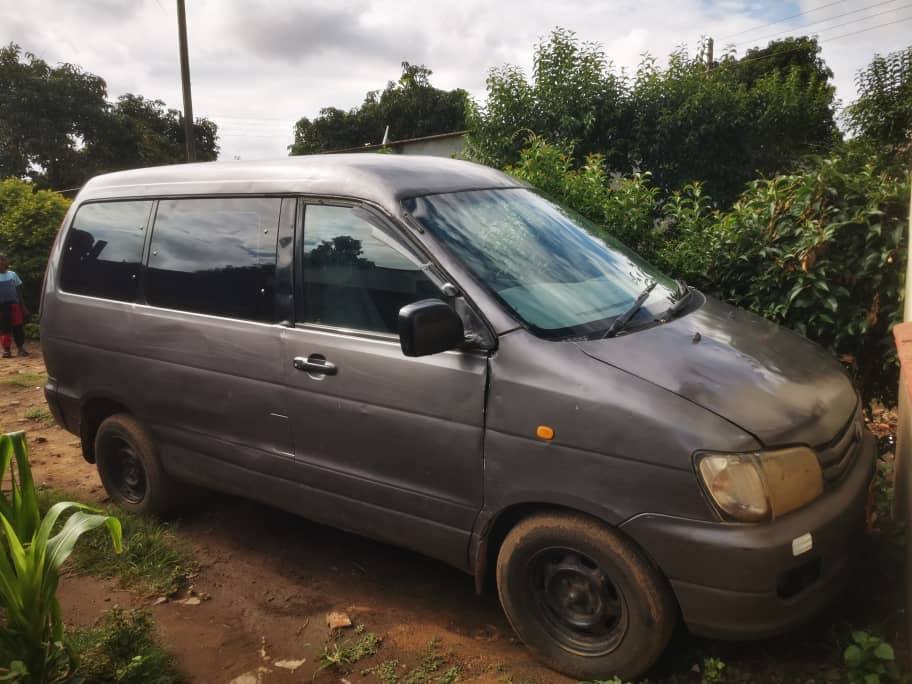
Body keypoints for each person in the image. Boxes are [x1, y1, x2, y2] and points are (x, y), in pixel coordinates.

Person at [0, 254, 29, 358]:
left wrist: (23, 307)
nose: (1, 262)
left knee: (18, 327)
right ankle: (6, 350)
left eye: (3, 260)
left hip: (15, 305)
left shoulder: (13, 274)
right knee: (5, 328)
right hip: (2, 307)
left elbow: (19, 292)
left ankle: (20, 348)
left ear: (6, 262)